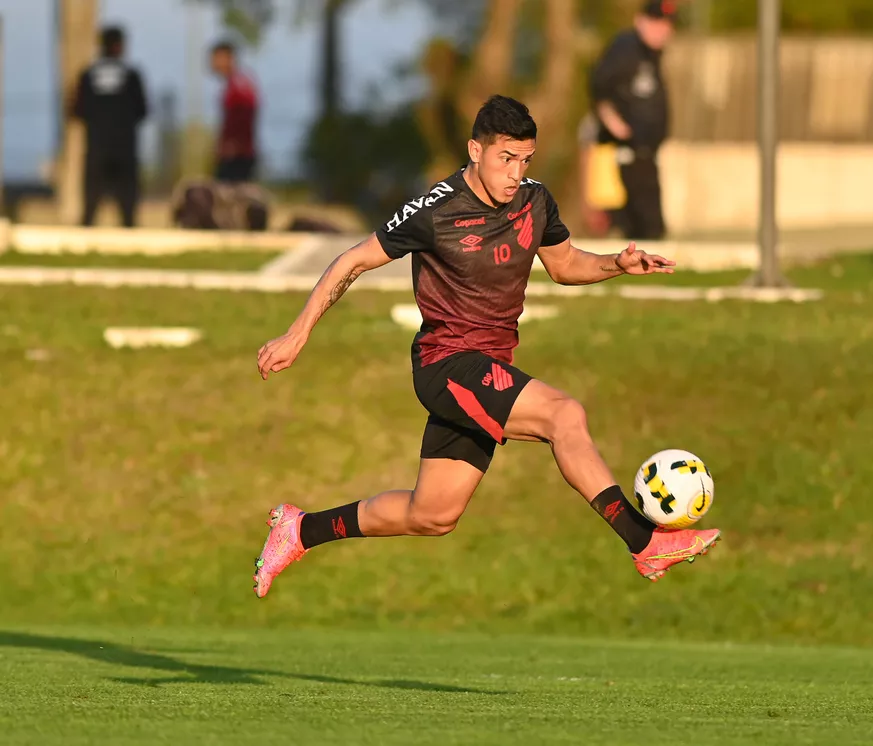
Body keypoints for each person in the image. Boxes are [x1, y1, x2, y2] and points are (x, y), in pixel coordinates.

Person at [252, 95, 720, 599]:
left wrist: (616, 264)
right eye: (506, 158)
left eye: (525, 160)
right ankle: (643, 542)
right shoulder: (436, 209)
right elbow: (351, 261)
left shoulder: (535, 200)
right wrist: (297, 333)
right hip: (447, 364)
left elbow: (564, 266)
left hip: (488, 367)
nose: (516, 172)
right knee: (564, 415)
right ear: (475, 150)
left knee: (432, 515)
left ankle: (299, 530)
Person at [589, 0, 675, 240]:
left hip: (646, 152)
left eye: (667, 24)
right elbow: (599, 87)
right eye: (658, 23)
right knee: (645, 224)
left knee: (650, 225)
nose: (664, 30)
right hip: (627, 152)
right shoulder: (625, 48)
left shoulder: (652, 54)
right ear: (642, 21)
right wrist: (615, 124)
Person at [73, 26, 148, 227]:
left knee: (90, 208)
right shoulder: (131, 76)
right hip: (125, 150)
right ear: (119, 46)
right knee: (128, 211)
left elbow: (78, 111)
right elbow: (142, 110)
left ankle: (83, 242)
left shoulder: (88, 75)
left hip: (97, 149)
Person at [209, 41, 259, 183]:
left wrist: (232, 145)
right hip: (233, 153)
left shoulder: (239, 86)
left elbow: (245, 117)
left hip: (237, 155)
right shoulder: (232, 85)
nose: (213, 64)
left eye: (216, 58)